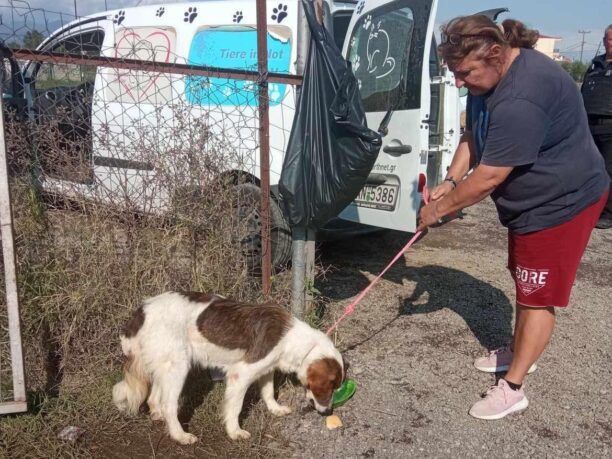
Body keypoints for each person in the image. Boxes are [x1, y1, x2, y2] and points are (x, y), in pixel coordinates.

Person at [417, 15, 609, 420]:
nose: (457, 82)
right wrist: (451, 181)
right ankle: (520, 348)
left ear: (495, 53)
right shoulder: (486, 78)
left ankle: (515, 385)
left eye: (463, 73)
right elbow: (474, 136)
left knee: (537, 295)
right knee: (524, 278)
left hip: (562, 202)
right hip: (530, 205)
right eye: (453, 74)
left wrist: (436, 211)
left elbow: (488, 177)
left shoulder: (523, 94)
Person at [581, 24, 612, 229]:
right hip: (589, 125)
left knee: (609, 170)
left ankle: (608, 213)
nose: (610, 43)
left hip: (610, 127)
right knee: (590, 169)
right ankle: (589, 207)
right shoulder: (595, 64)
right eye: (608, 39)